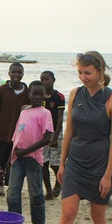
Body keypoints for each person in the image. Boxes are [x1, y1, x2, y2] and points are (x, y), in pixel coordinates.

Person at [43, 51, 112, 224]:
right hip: (76, 161)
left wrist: (108, 175)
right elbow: (69, 131)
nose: (83, 77)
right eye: (79, 72)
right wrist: (62, 163)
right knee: (67, 213)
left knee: (98, 215)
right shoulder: (74, 94)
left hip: (100, 163)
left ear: (100, 72)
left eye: (87, 73)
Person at [7, 81, 53, 224]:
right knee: (13, 193)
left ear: (45, 95)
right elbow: (17, 135)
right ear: (29, 95)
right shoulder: (24, 111)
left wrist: (26, 151)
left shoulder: (45, 113)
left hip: (33, 158)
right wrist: (11, 156)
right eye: (35, 94)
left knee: (36, 193)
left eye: (41, 94)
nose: (38, 97)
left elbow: (47, 137)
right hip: (17, 157)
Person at [0, 63, 30, 192]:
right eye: (14, 72)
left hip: (19, 136)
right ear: (9, 73)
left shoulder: (28, 92)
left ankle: (10, 185)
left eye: (19, 72)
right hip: (3, 134)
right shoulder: (0, 91)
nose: (16, 75)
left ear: (23, 74)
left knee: (14, 163)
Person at [41, 71, 66, 200]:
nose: (44, 82)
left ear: (53, 80)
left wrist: (55, 136)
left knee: (55, 163)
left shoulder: (59, 97)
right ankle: (49, 191)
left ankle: (59, 183)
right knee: (43, 163)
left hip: (55, 132)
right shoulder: (40, 96)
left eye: (47, 79)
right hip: (42, 133)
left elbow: (60, 118)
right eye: (42, 80)